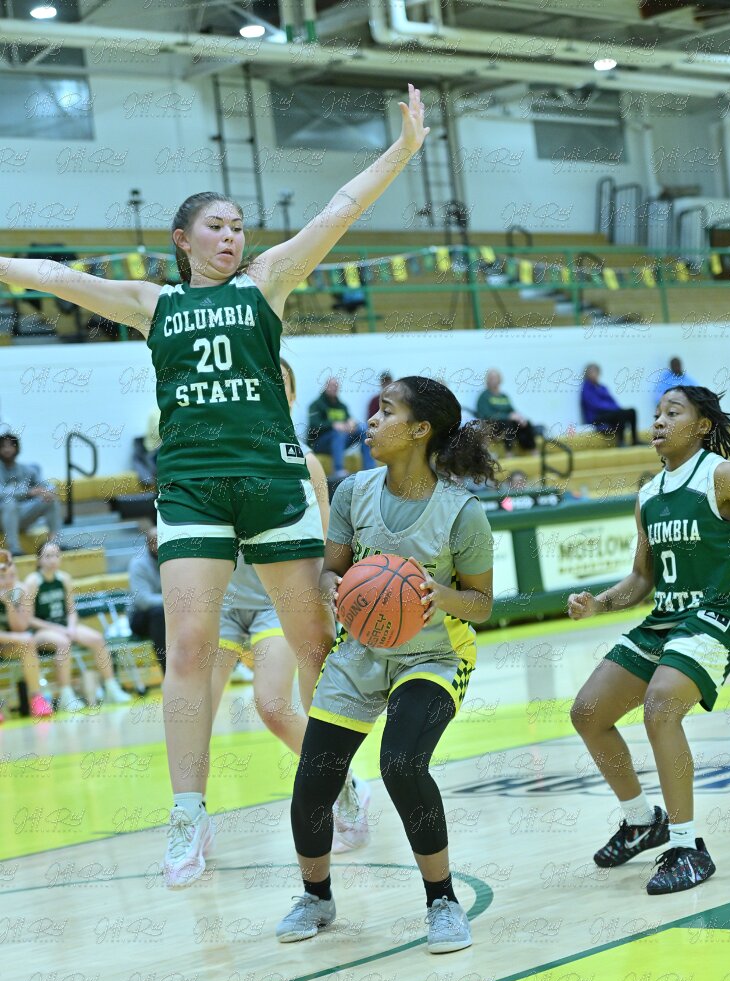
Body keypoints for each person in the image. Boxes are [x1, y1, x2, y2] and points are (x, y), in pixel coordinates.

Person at [0, 82, 430, 885]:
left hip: (272, 483)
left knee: (313, 645)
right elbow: (54, 275)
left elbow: (339, 208)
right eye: (217, 226)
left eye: (238, 226)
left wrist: (404, 149)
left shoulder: (267, 281)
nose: (232, 237)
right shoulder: (152, 303)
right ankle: (187, 814)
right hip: (193, 488)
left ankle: (337, 782)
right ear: (183, 238)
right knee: (190, 648)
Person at [275, 376, 496, 953]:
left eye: (386, 412)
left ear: (420, 430)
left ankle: (443, 901)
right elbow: (331, 569)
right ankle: (316, 897)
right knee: (314, 777)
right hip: (361, 650)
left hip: (434, 654)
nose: (372, 421)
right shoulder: (353, 491)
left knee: (401, 764)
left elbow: (481, 603)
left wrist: (438, 595)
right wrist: (334, 587)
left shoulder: (462, 513)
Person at [568, 386, 730, 895]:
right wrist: (598, 603)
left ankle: (686, 845)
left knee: (661, 705)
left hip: (717, 616)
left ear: (701, 426)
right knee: (587, 712)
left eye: (673, 413)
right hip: (666, 620)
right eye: (656, 414)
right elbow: (641, 579)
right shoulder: (648, 495)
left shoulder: (721, 474)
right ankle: (640, 821)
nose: (659, 421)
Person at [208, 357, 371, 866]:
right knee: (193, 711)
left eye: (277, 385)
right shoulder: (211, 451)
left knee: (273, 707)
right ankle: (193, 821)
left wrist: (330, 599)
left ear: (293, 397)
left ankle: (343, 782)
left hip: (273, 604)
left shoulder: (306, 463)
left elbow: (325, 542)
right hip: (221, 602)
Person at [21, 541, 131, 711]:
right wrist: (59, 629)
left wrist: (71, 627)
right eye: (48, 556)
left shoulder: (64, 578)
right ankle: (66, 696)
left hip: (65, 627)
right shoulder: (33, 581)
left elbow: (71, 611)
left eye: (56, 555)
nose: (53, 560)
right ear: (39, 560)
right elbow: (28, 619)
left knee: (97, 638)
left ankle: (111, 688)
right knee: (63, 643)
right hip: (41, 631)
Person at [0, 549, 54, 721]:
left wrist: (8, 603)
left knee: (28, 643)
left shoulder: (21, 590)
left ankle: (36, 698)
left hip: (6, 644)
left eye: (12, 575)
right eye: (2, 576)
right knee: (24, 639)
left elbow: (21, 627)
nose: (8, 580)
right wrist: (16, 638)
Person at [0, 432, 63, 557]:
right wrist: (28, 492)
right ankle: (15, 549)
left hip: (22, 516)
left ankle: (55, 544)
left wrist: (47, 492)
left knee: (50, 500)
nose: (7, 449)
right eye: (3, 446)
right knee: (9, 503)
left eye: (10, 446)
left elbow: (47, 485)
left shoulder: (27, 469)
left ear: (17, 448)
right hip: (3, 517)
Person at [307, 377, 375, 478]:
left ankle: (369, 469)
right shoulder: (316, 405)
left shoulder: (342, 406)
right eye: (331, 385)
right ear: (325, 387)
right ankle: (338, 470)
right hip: (320, 443)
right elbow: (314, 425)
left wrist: (352, 424)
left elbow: (349, 420)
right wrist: (332, 425)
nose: (334, 388)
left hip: (339, 442)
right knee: (338, 432)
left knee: (363, 429)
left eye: (336, 386)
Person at [127, 526, 166, 675]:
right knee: (159, 614)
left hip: (169, 613)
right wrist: (173, 601)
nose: (159, 544)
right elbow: (143, 601)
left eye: (162, 540)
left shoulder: (174, 560)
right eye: (154, 541)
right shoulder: (138, 564)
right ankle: (167, 671)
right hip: (140, 618)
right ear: (148, 544)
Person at [475, 369, 536, 454]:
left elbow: (512, 411)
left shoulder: (504, 396)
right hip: (494, 425)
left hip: (509, 422)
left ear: (500, 380)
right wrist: (507, 416)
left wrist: (520, 418)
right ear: (487, 381)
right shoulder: (484, 396)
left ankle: (532, 450)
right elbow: (486, 415)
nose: (494, 380)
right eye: (491, 378)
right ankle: (508, 453)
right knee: (508, 423)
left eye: (495, 378)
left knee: (525, 423)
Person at [580, 364, 640, 447]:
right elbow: (596, 405)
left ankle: (635, 440)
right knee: (620, 413)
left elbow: (613, 402)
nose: (594, 374)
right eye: (591, 372)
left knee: (631, 411)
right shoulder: (586, 389)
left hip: (608, 413)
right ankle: (621, 442)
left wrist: (617, 409)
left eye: (596, 372)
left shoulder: (602, 387)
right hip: (596, 417)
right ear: (587, 374)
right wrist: (614, 409)